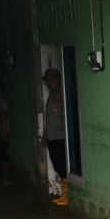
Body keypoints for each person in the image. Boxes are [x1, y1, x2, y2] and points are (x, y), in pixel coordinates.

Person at [41, 68, 68, 206]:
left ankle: (68, 196)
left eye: (52, 79)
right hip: (53, 137)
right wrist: (45, 135)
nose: (49, 82)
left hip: (62, 136)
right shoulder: (52, 95)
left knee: (63, 165)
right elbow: (50, 119)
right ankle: (64, 194)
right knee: (57, 164)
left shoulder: (62, 94)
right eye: (47, 80)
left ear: (58, 79)